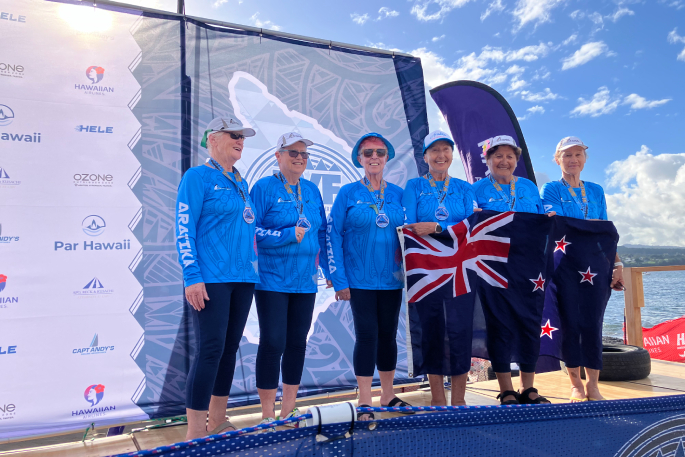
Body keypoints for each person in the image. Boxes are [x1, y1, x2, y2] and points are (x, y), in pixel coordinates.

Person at [175, 117, 259, 439]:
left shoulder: (241, 181)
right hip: (210, 278)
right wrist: (192, 275)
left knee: (228, 348)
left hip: (243, 278)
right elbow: (185, 227)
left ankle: (219, 420)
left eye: (243, 137)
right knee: (210, 349)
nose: (240, 140)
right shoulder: (197, 176)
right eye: (234, 135)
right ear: (213, 139)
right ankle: (195, 432)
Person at [326, 132, 412, 420]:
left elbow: (414, 234)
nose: (374, 156)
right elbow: (333, 234)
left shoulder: (400, 194)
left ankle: (388, 395)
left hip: (392, 279)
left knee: (388, 337)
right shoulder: (348, 193)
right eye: (368, 153)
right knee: (367, 336)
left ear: (387, 157)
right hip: (358, 280)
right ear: (359, 159)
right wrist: (339, 279)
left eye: (379, 151)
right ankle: (365, 400)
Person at [250, 132, 328, 427]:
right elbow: (251, 231)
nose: (299, 158)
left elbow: (320, 233)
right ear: (278, 156)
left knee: (297, 343)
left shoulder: (311, 190)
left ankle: (289, 411)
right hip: (271, 280)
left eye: (304, 154)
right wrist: (284, 235)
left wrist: (330, 273)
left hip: (305, 281)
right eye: (293, 153)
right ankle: (268, 414)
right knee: (272, 342)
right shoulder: (263, 188)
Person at [541, 136, 625, 402]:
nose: (573, 159)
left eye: (578, 154)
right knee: (569, 323)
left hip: (597, 265)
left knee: (593, 323)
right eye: (567, 155)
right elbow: (557, 224)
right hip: (566, 264)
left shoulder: (597, 190)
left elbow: (603, 231)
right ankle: (575, 384)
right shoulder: (551, 188)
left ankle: (593, 385)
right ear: (557, 160)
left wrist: (618, 263)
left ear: (585, 159)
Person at [472, 134, 554, 405]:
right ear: (488, 160)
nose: (504, 161)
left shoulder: (530, 188)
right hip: (493, 267)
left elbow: (542, 224)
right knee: (500, 324)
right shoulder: (477, 190)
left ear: (516, 161)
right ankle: (506, 388)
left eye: (509, 156)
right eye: (498, 156)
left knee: (530, 323)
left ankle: (528, 387)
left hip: (530, 268)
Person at [402, 130, 478, 406]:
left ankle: (459, 400)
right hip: (426, 269)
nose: (441, 155)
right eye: (434, 151)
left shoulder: (465, 188)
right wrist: (450, 231)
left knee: (460, 330)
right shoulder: (414, 186)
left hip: (461, 269)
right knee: (431, 329)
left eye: (446, 150)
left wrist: (437, 228)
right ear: (425, 157)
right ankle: (437, 398)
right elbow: (410, 226)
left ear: (452, 155)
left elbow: (473, 227)